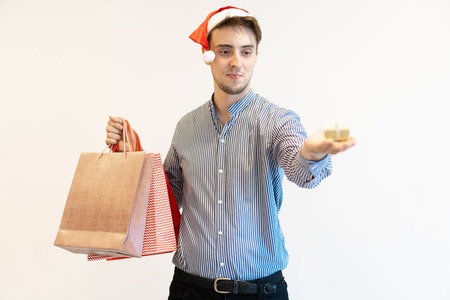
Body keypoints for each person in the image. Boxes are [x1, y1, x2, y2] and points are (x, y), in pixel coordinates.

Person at [105, 6, 356, 300]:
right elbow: (167, 201)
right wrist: (130, 156)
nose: (236, 62)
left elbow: (301, 172)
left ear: (256, 57)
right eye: (225, 51)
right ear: (208, 55)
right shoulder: (187, 127)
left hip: (261, 291)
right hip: (191, 290)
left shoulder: (278, 120)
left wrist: (311, 153)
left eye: (246, 52)